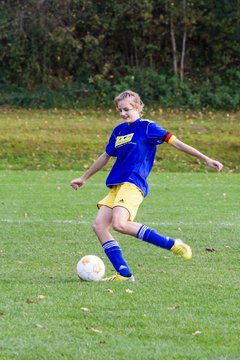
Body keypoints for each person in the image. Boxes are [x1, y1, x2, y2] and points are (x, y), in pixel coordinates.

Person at [70, 90, 223, 282]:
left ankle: (173, 244)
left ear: (137, 107)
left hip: (133, 183)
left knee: (119, 224)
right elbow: (106, 156)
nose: (123, 113)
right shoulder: (118, 131)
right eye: (120, 110)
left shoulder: (148, 128)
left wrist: (206, 159)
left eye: (126, 109)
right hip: (117, 185)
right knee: (99, 226)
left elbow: (177, 143)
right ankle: (124, 274)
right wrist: (84, 178)